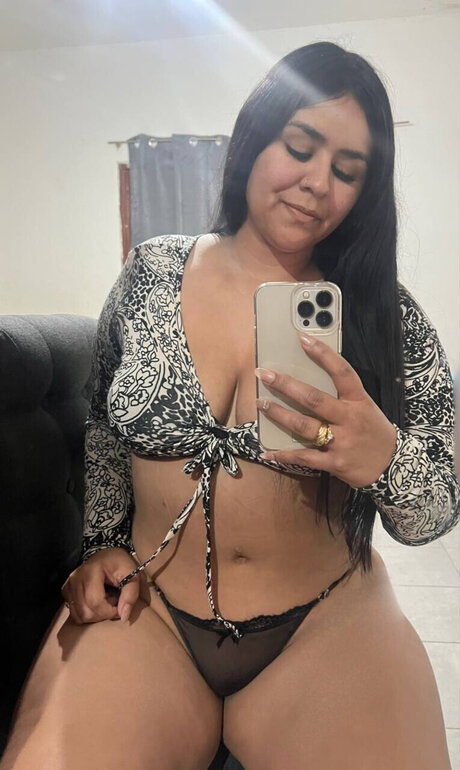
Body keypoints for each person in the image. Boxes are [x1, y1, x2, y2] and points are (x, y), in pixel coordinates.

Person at [2, 41, 459, 770]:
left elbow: (435, 512)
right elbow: (104, 430)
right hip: (151, 615)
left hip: (324, 624)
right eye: (300, 148)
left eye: (347, 171)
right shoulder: (152, 273)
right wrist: (98, 547)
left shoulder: (386, 316)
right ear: (254, 141)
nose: (317, 183)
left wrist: (385, 459)